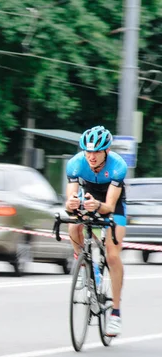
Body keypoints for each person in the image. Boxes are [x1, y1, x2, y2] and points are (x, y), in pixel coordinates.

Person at [65, 125, 127, 337]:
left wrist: (98, 207)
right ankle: (84, 263)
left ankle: (116, 313)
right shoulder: (75, 164)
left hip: (112, 204)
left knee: (112, 255)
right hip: (89, 197)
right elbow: (69, 200)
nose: (91, 156)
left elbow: (109, 206)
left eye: (96, 152)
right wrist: (72, 203)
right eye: (87, 151)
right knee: (73, 224)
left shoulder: (118, 166)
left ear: (106, 151)